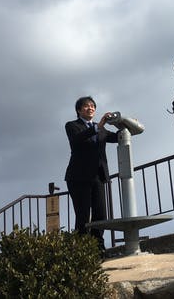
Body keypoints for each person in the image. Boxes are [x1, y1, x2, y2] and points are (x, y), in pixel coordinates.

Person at [64, 96, 118, 252]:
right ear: (79, 110)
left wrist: (125, 125)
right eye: (86, 106)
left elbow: (116, 137)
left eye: (93, 106)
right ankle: (82, 251)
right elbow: (77, 140)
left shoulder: (100, 128)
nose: (91, 108)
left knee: (101, 214)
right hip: (78, 177)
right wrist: (98, 126)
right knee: (83, 215)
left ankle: (98, 248)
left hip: (98, 176)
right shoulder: (72, 126)